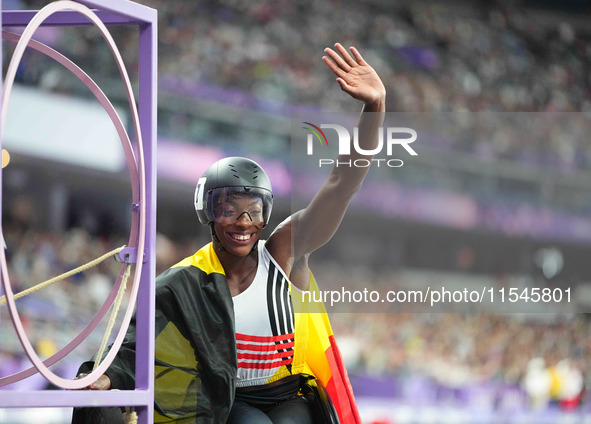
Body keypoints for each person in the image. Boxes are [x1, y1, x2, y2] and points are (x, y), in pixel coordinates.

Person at [73, 43, 385, 424]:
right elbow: (138, 342)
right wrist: (107, 377)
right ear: (208, 212)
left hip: (288, 393)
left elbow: (341, 185)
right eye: (228, 209)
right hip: (230, 399)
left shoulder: (286, 252)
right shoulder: (184, 281)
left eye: (254, 211)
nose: (243, 222)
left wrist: (375, 109)